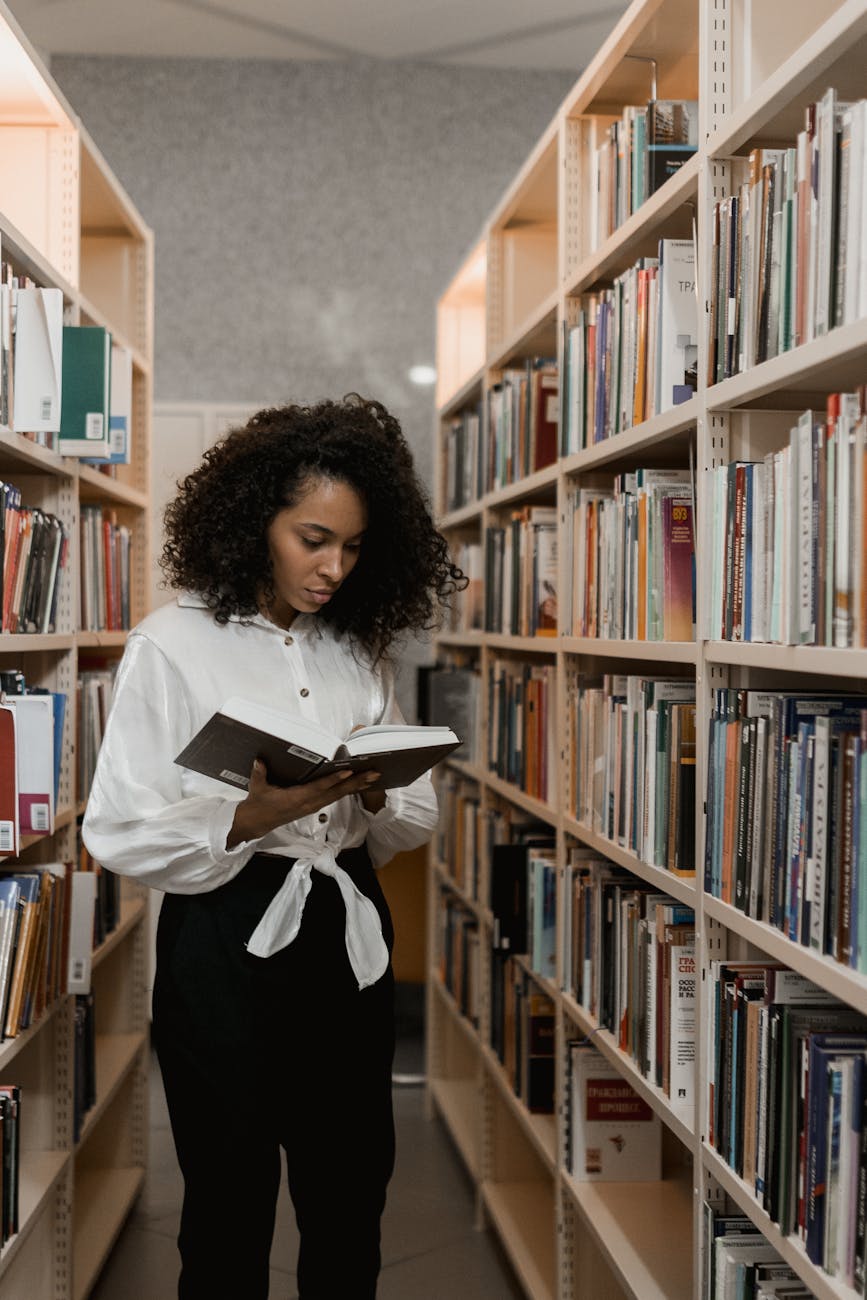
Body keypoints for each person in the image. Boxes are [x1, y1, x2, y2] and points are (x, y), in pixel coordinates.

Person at [82, 395, 465, 1300]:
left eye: (355, 547)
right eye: (312, 539)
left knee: (349, 1196)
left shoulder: (353, 652)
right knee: (227, 1204)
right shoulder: (171, 644)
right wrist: (251, 817)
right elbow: (120, 827)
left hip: (347, 931)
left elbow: (412, 818)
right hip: (225, 934)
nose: (334, 568)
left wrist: (371, 787)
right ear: (254, 521)